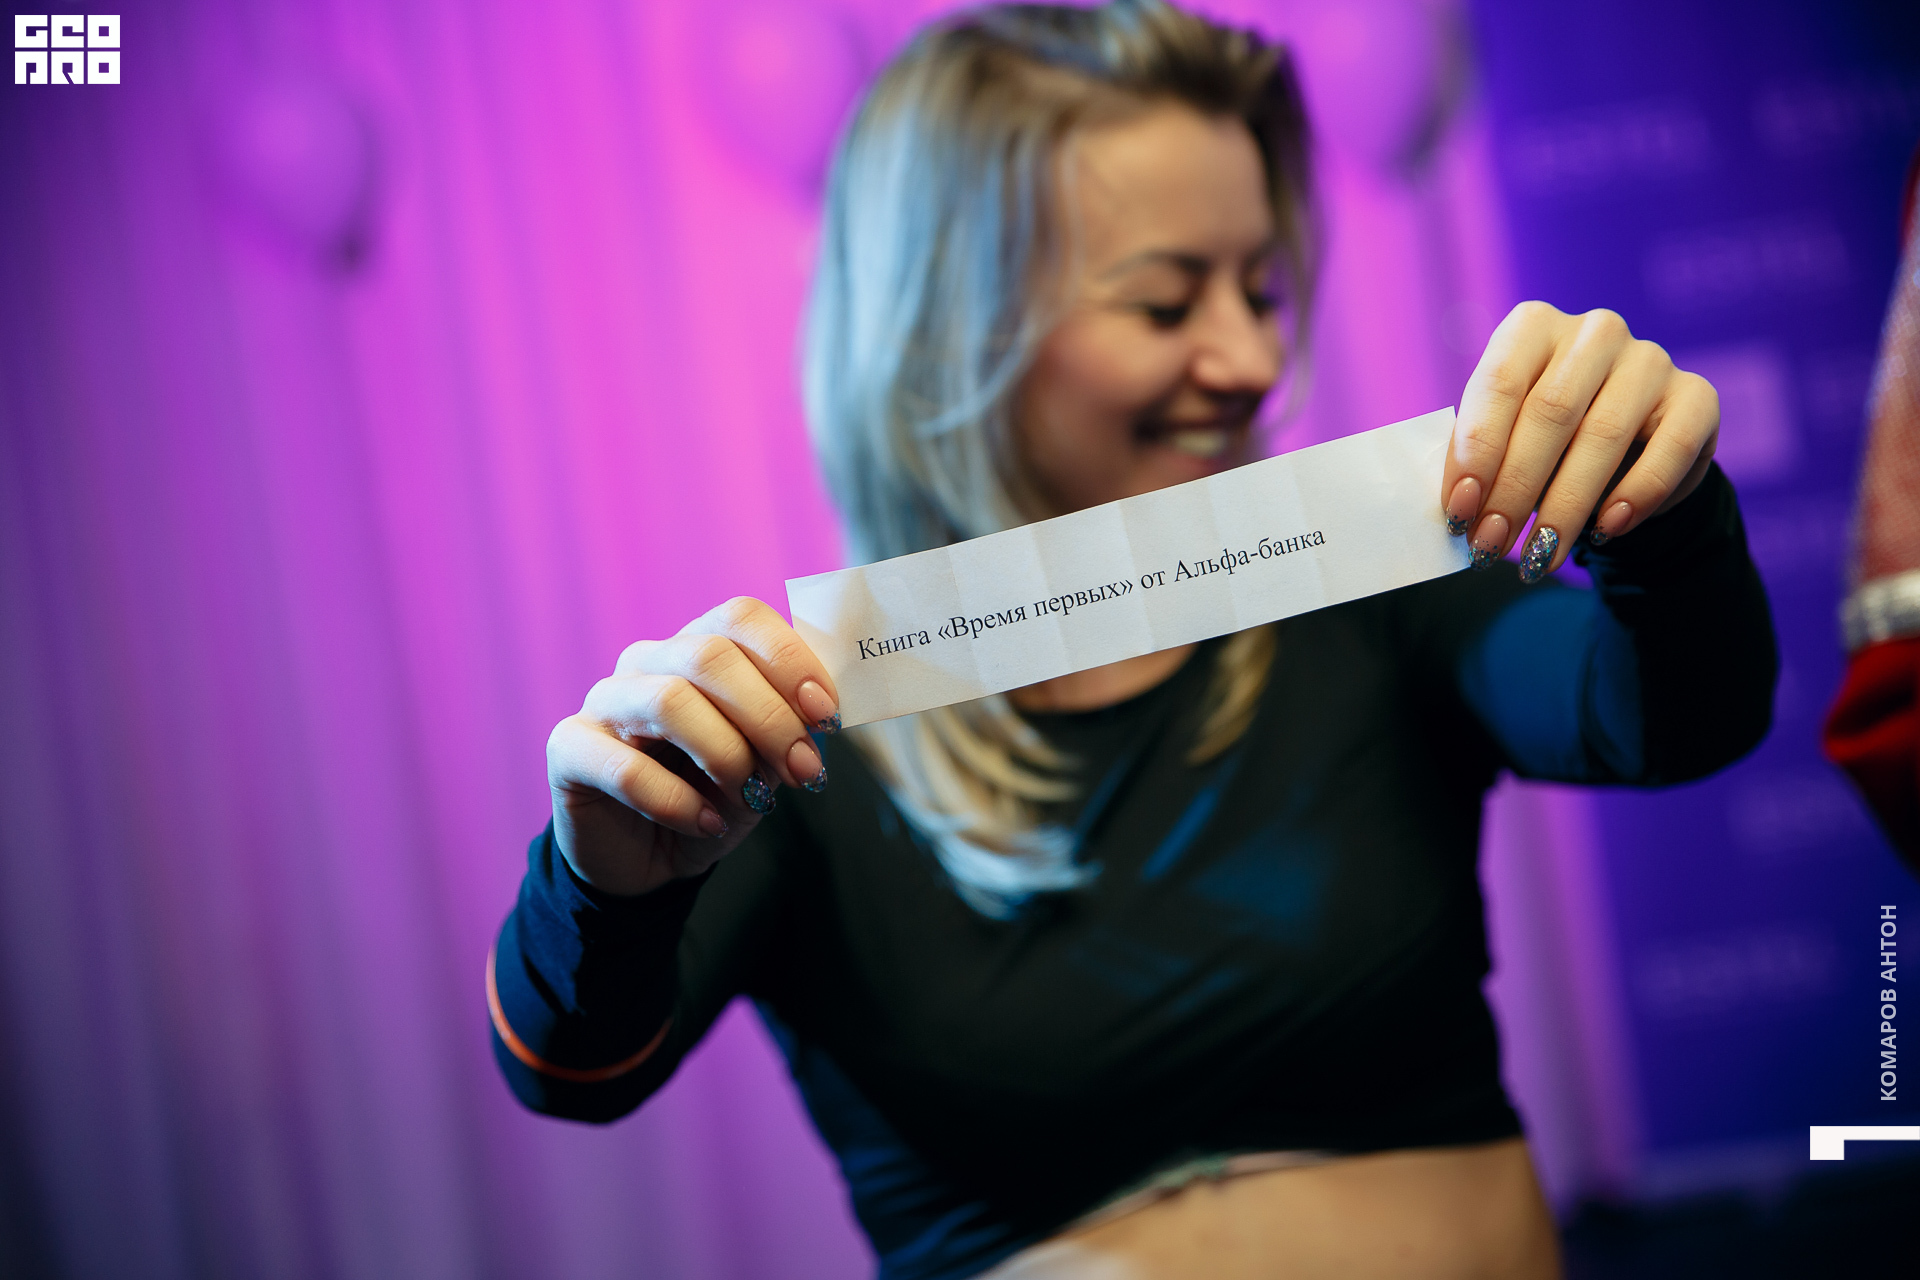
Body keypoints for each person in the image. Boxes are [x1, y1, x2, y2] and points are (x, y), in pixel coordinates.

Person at [489, 3, 1776, 1276]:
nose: (1252, 357)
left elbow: (1677, 716)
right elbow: (574, 1069)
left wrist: (1658, 519)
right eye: (1166, 305)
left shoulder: (1376, 603)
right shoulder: (790, 732)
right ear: (950, 334)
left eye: (1262, 290)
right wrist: (600, 886)